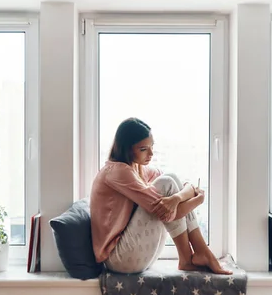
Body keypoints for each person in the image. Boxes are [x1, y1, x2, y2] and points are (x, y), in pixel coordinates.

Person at [90, 117, 232, 275]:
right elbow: (170, 213)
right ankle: (199, 253)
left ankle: (191, 256)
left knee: (170, 179)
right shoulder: (118, 172)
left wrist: (177, 198)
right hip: (119, 259)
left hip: (134, 254)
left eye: (151, 147)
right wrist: (196, 200)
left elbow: (180, 184)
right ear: (127, 149)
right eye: (143, 149)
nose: (151, 153)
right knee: (165, 184)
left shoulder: (137, 168)